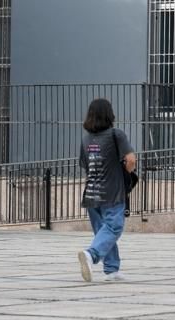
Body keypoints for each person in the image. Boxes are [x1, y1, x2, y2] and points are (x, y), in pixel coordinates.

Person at [76, 98, 137, 282]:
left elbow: (85, 166)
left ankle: (111, 269)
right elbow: (131, 160)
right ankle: (91, 254)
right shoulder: (116, 134)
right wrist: (126, 173)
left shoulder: (86, 139)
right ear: (109, 114)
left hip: (91, 194)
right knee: (114, 227)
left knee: (103, 231)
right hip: (112, 192)